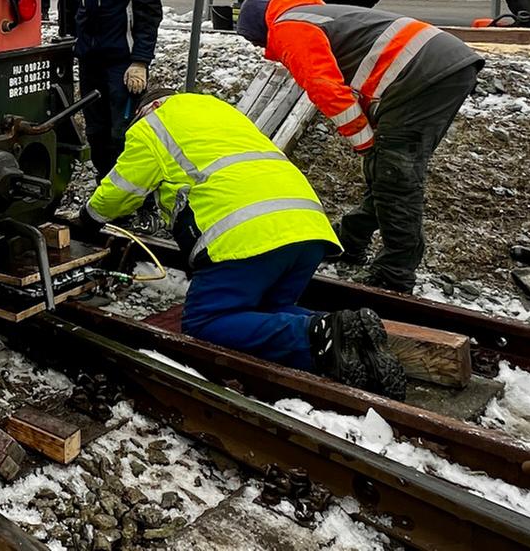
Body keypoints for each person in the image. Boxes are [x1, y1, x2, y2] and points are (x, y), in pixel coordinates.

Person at [73, 90, 406, 398]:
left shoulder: (153, 126)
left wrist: (87, 220)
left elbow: (121, 190)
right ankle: (351, 339)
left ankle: (314, 333)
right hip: (307, 225)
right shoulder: (219, 112)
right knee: (263, 313)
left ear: (151, 108)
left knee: (205, 321)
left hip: (248, 234)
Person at [237, 0, 483, 295]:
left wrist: (363, 141)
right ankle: (351, 241)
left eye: (257, 43)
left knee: (395, 177)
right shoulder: (313, 15)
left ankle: (394, 274)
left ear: (261, 30)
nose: (262, 50)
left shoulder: (288, 28)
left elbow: (325, 89)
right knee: (388, 170)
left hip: (424, 75)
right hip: (441, 66)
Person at [57, 0, 161, 177]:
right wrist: (66, 46)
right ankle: (106, 183)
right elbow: (67, 11)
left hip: (123, 62)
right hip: (89, 60)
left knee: (123, 131)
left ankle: (134, 189)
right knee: (96, 130)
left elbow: (148, 11)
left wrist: (140, 60)